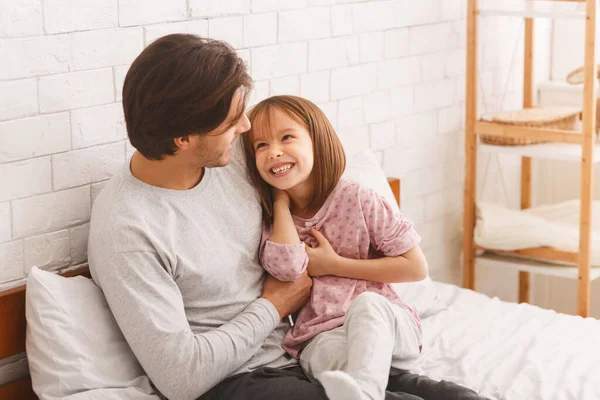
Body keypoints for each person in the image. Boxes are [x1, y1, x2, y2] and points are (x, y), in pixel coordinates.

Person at [88, 33, 488, 400]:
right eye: (232, 122)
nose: (246, 127)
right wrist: (275, 305)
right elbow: (180, 379)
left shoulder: (233, 159)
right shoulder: (127, 230)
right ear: (184, 139)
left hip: (307, 350)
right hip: (238, 380)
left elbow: (315, 182)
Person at [241, 95, 427, 400]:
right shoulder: (272, 221)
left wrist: (333, 265)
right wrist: (281, 204)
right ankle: (363, 390)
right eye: (261, 145)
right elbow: (288, 268)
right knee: (323, 359)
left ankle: (365, 392)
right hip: (321, 335)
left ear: (317, 141)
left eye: (286, 137)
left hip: (388, 326)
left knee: (366, 305)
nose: (273, 152)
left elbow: (416, 267)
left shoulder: (358, 198)